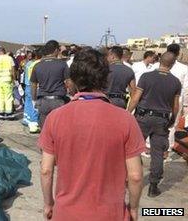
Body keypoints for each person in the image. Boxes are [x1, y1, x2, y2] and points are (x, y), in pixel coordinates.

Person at [39, 48, 145, 221]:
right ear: (105, 78)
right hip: (110, 214)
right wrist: (133, 208)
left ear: (72, 80)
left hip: (66, 213)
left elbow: (45, 170)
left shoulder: (55, 118)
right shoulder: (126, 120)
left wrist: (48, 204)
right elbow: (135, 176)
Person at [127, 52, 181, 197]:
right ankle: (153, 186)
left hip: (143, 117)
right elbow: (176, 105)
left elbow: (136, 98)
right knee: (157, 153)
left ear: (159, 61)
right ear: (173, 63)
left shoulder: (146, 76)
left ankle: (129, 179)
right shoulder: (176, 82)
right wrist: (173, 119)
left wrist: (128, 113)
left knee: (132, 149)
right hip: (162, 120)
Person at [31, 40, 70, 127]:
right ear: (56, 50)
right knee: (59, 129)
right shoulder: (62, 64)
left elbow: (33, 85)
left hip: (43, 101)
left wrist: (33, 100)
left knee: (44, 130)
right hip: (58, 101)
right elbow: (69, 82)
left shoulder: (37, 65)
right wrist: (73, 93)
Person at [0, 48, 16, 119]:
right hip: (7, 80)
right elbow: (13, 70)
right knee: (8, 97)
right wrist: (14, 79)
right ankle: (9, 113)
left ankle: (0, 113)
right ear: (4, 52)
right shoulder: (9, 58)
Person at [22, 51, 40, 132]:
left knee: (28, 103)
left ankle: (26, 119)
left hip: (27, 85)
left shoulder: (28, 64)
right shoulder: (37, 64)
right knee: (34, 105)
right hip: (33, 86)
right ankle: (34, 122)